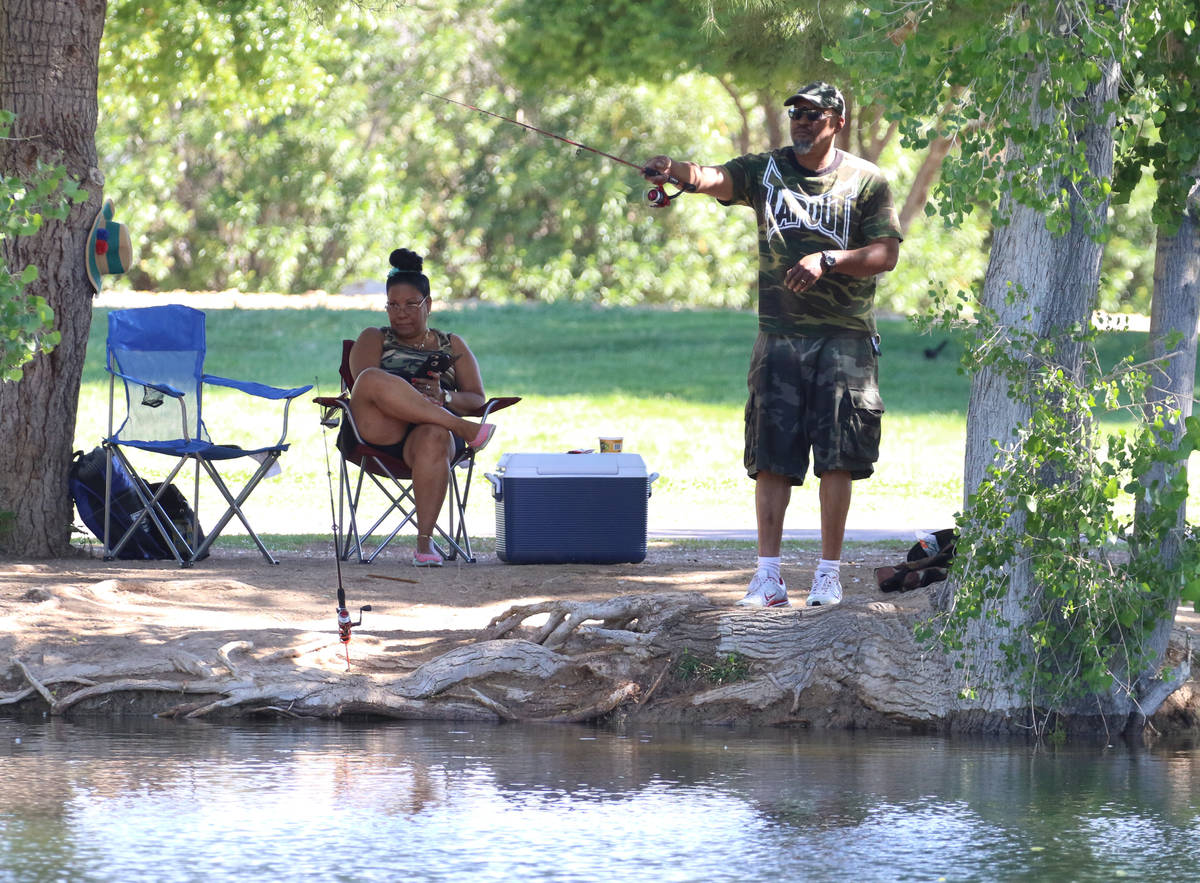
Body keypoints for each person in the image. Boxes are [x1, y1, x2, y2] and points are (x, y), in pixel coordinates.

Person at [644, 81, 902, 608]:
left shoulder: (867, 181)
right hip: (780, 337)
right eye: (797, 114)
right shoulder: (765, 170)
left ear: (837, 122)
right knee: (771, 458)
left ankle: (827, 575)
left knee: (838, 458)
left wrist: (828, 259)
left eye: (814, 114)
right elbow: (714, 179)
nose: (803, 122)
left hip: (844, 338)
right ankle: (768, 576)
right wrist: (675, 172)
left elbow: (885, 254)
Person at [347, 248, 496, 567]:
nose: (400, 313)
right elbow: (363, 385)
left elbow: (477, 399)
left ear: (428, 304)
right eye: (393, 305)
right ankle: (463, 429)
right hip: (382, 429)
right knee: (374, 377)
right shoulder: (374, 337)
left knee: (434, 436)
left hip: (428, 436)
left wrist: (444, 397)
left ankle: (425, 545)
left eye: (410, 304)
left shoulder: (451, 344)